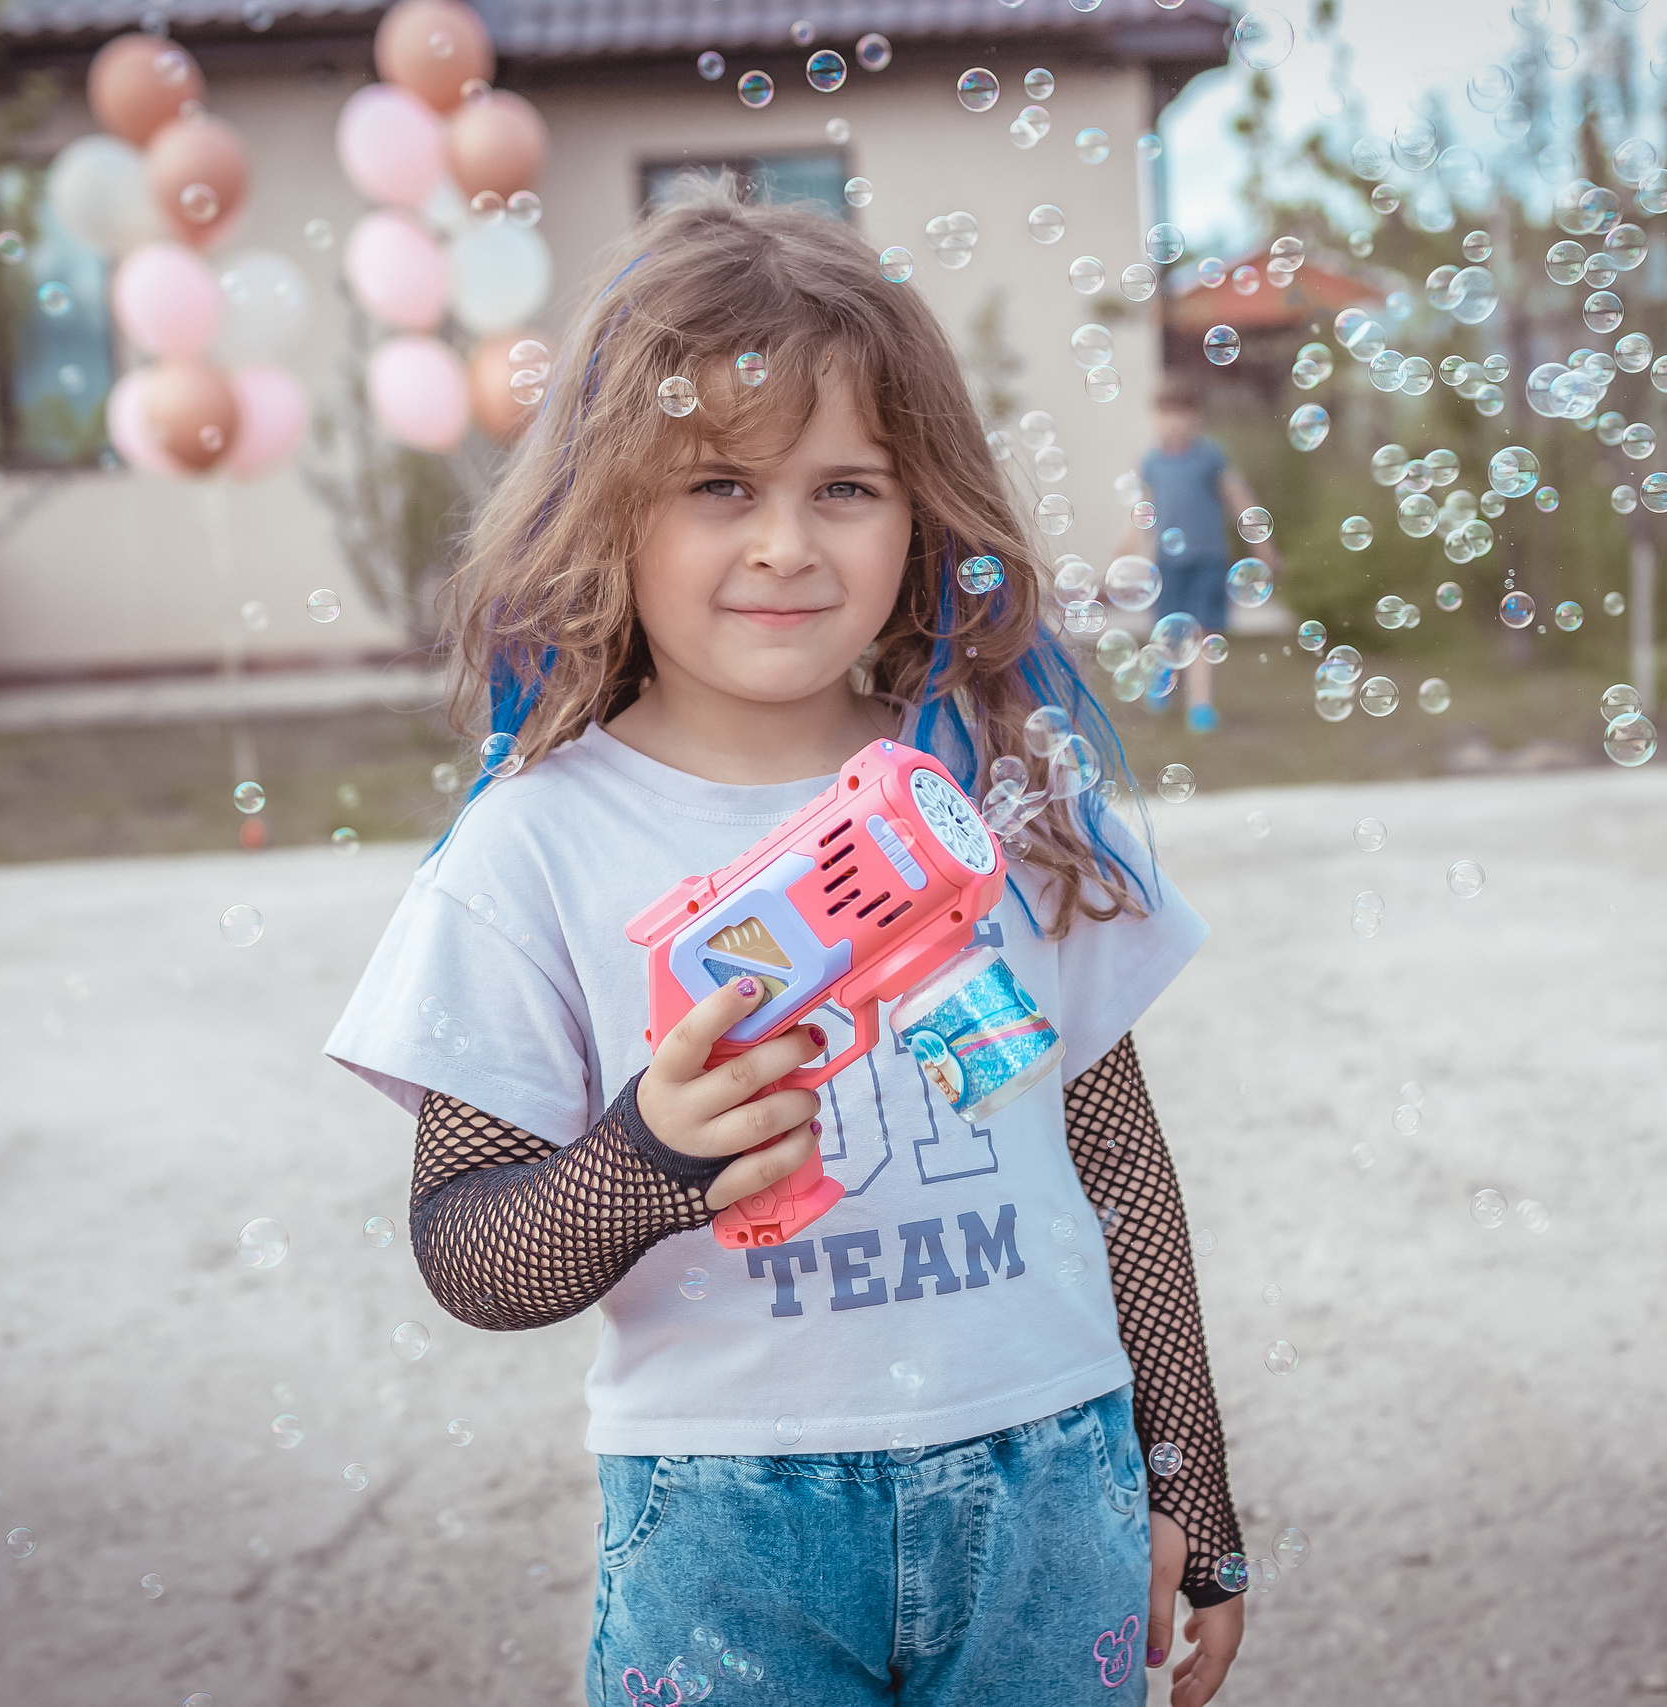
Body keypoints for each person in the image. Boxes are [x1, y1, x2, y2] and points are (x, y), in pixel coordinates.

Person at [326, 180, 1249, 1707]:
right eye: (719, 485)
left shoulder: (997, 796)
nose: (785, 543)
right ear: (611, 508)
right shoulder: (535, 846)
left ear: (923, 509)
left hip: (1053, 1480)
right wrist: (649, 1154)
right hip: (727, 1513)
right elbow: (469, 1248)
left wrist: (1188, 1476)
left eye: (846, 487)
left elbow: (1118, 1158)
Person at [1116, 379, 1277, 734]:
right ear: (1156, 417)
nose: (1173, 421)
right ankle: (1163, 676)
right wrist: (1128, 543)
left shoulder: (1210, 456)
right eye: (1166, 413)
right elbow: (1143, 507)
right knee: (1168, 632)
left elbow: (1237, 496)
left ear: (1196, 417)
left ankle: (1200, 707)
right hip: (1168, 563)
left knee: (1203, 633)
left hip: (1208, 560)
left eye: (1181, 412)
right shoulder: (1152, 461)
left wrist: (1261, 541)